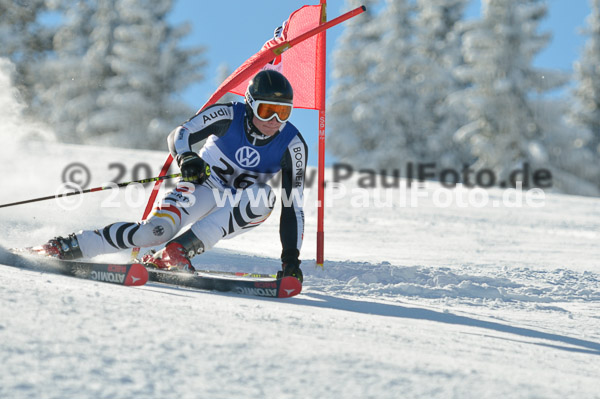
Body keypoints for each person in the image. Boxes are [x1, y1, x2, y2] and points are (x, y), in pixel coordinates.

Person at [37, 70, 307, 282]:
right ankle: (68, 246)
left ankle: (176, 253)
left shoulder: (292, 145)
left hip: (236, 208)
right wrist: (187, 156)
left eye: (283, 112)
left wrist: (291, 261)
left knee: (263, 197)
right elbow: (181, 133)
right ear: (250, 105)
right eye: (266, 110)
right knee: (154, 231)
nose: (274, 120)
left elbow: (293, 206)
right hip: (203, 186)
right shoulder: (228, 115)